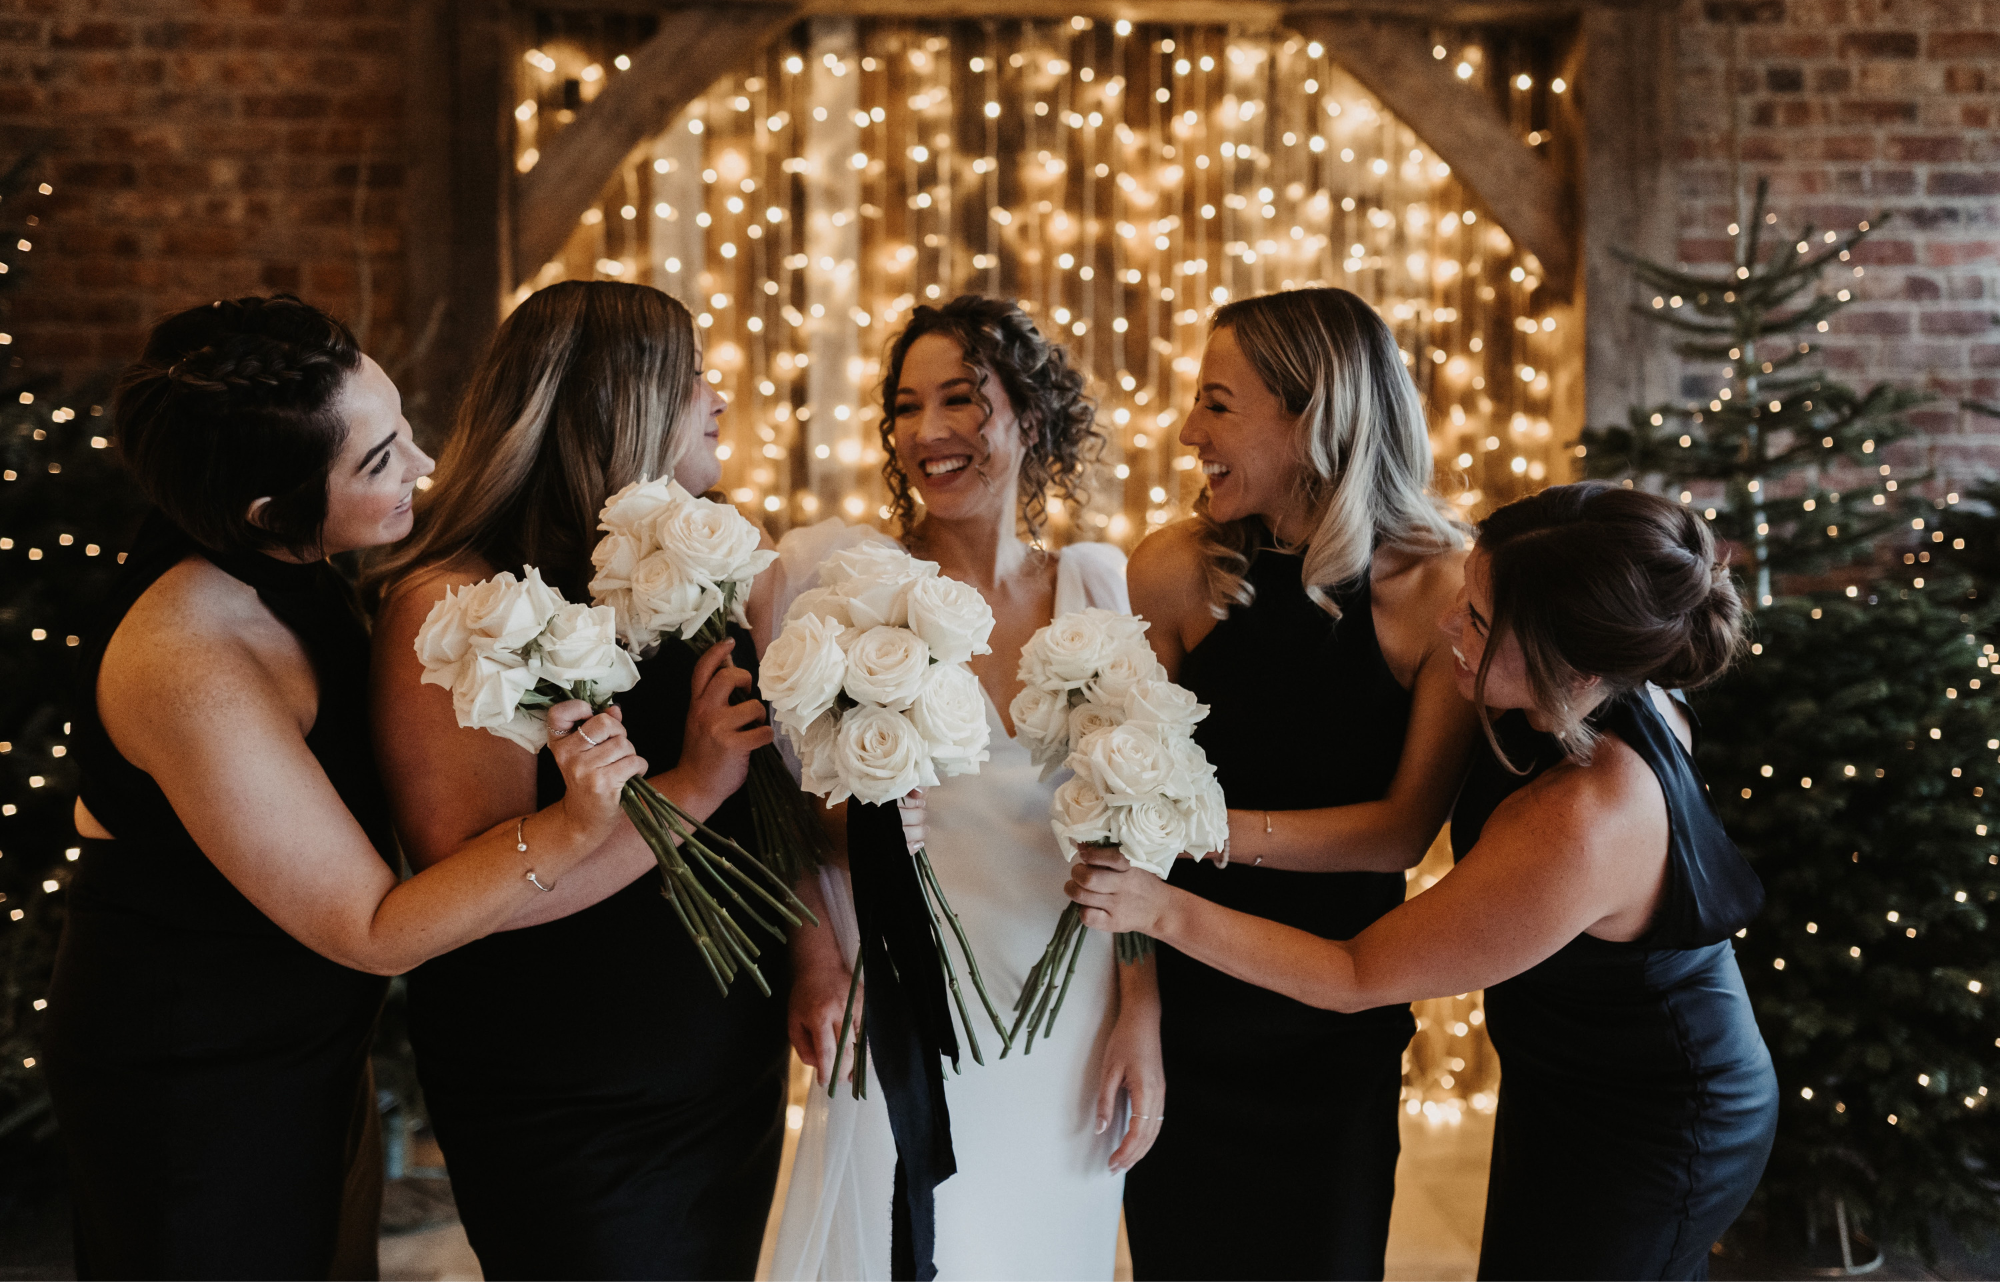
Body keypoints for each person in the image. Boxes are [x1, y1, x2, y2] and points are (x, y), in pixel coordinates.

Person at [44, 295, 647, 1281]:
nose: (423, 465)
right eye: (378, 460)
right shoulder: (193, 662)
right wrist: (579, 824)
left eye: (402, 426)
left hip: (302, 1042)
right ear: (267, 509)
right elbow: (372, 927)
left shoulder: (285, 549)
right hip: (190, 1079)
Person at [1071, 481, 1780, 1282]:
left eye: (1477, 618)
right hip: (1563, 1075)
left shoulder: (1586, 818)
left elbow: (1355, 972)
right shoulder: (1599, 676)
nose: (1450, 623)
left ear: (1570, 664)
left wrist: (1160, 908)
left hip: (1657, 1114)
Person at [366, 280, 789, 1280]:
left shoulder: (689, 569)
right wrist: (692, 787)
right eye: (692, 379)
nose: (717, 397)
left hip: (720, 1063)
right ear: (622, 404)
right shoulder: (461, 605)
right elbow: (477, 896)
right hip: (566, 1089)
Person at [758, 295, 1159, 1280]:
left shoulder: (1104, 589)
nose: (927, 432)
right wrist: (820, 946)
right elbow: (779, 807)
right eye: (905, 406)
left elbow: (1135, 832)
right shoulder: (842, 584)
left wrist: (1139, 1013)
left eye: (959, 400)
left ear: (1028, 412)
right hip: (902, 992)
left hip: (1070, 1006)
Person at [1117, 286, 1479, 1281]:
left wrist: (1209, 829)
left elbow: (1401, 831)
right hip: (1185, 1015)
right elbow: (1125, 819)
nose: (1189, 431)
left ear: (1314, 415)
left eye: (1217, 403)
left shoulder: (1439, 591)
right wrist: (1133, 1009)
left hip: (1331, 1020)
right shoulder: (1170, 571)